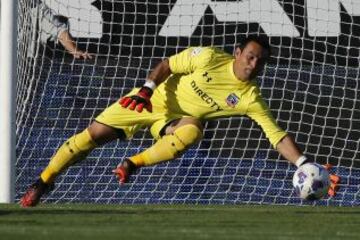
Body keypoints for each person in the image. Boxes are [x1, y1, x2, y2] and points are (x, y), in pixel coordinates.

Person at [20, 36, 340, 207]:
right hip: (150, 100)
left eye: (260, 62)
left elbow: (277, 136)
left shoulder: (250, 98)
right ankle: (43, 182)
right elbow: (167, 64)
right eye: (250, 57)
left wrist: (306, 165)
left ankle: (132, 163)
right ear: (237, 52)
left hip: (173, 121)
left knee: (192, 131)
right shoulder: (208, 57)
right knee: (90, 138)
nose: (253, 65)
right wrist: (146, 90)